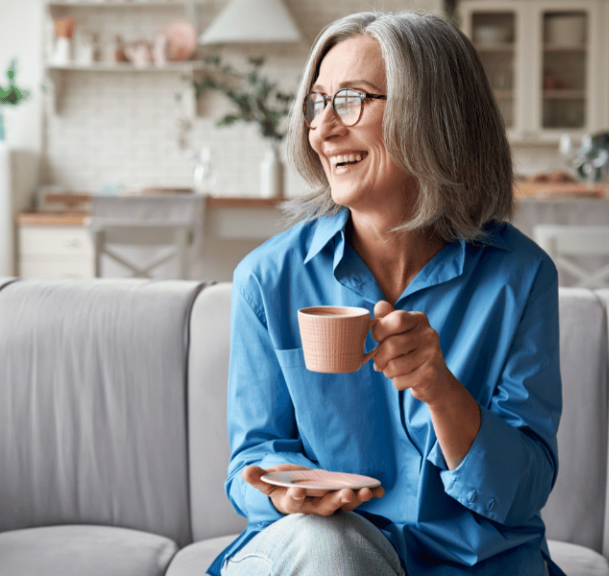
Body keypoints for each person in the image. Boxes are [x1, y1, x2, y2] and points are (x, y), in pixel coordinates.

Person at [207, 10, 565, 576]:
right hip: (322, 552)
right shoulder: (268, 279)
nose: (322, 129)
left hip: (474, 564)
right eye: (317, 103)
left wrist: (441, 391)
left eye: (350, 99)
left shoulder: (520, 278)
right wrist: (285, 493)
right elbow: (251, 460)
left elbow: (522, 492)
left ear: (435, 115)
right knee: (330, 549)